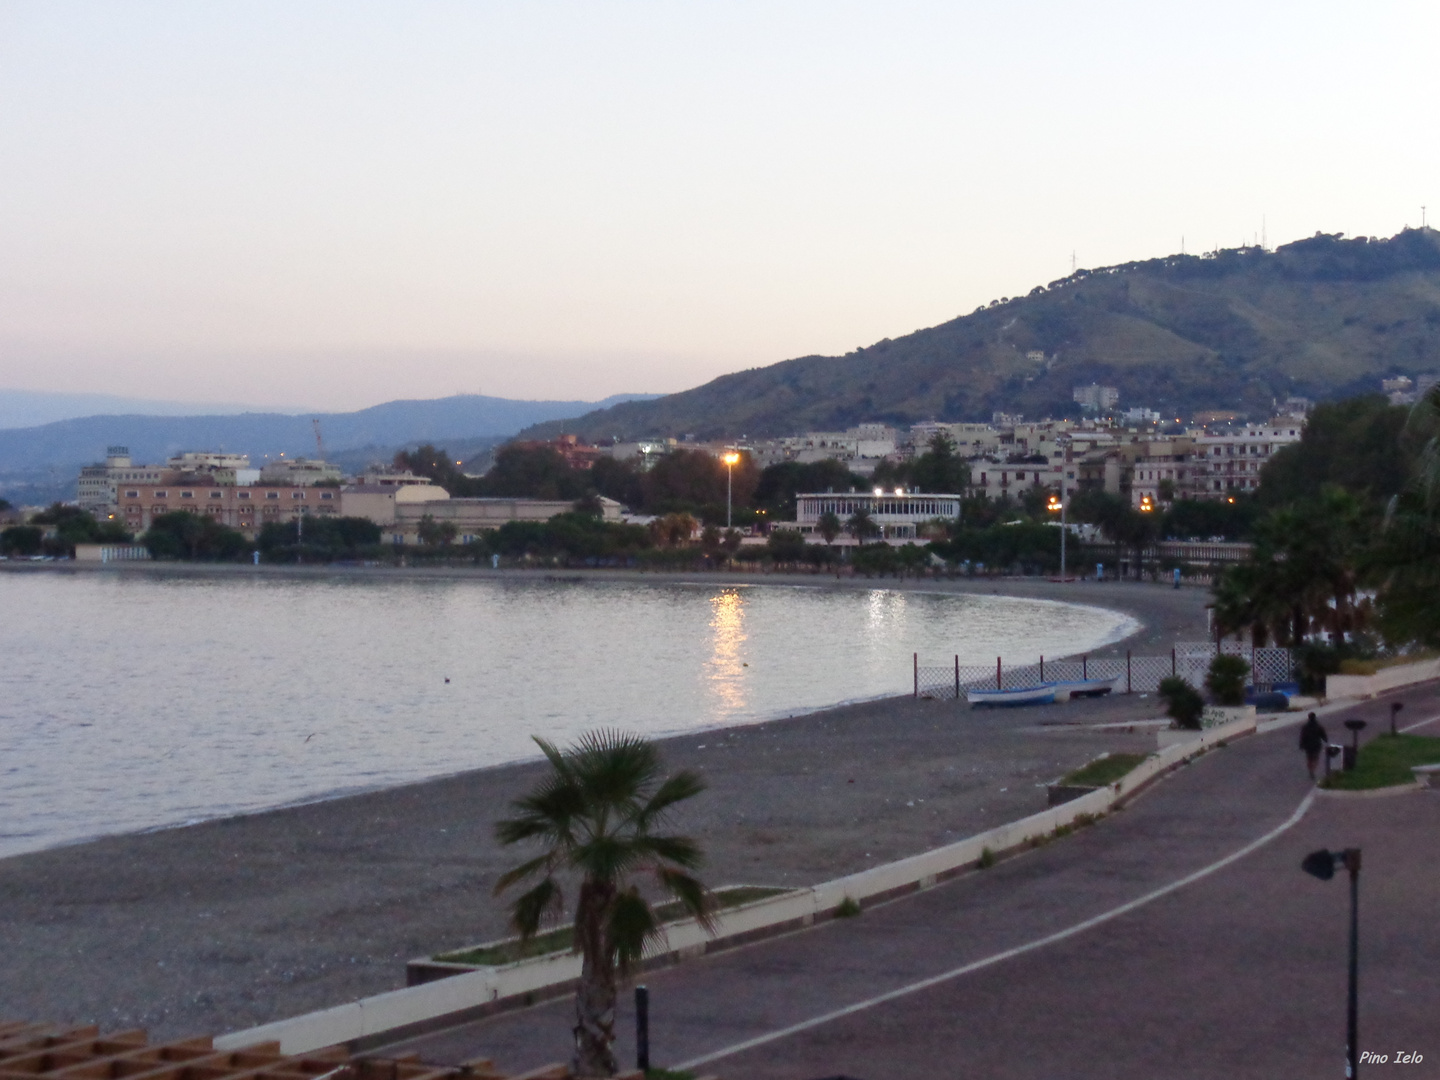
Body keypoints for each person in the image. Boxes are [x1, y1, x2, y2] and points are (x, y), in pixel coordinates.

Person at [1299, 712, 1329, 780]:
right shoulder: (1318, 726)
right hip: (1316, 745)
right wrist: (1325, 739)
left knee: (1309, 758)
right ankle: (1313, 769)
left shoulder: (1305, 727)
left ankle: (1310, 770)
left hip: (1308, 745)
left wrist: (1301, 745)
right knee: (1315, 758)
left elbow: (1302, 736)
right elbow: (1323, 735)